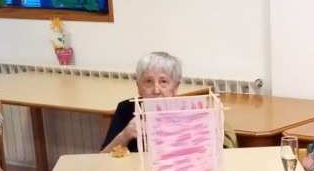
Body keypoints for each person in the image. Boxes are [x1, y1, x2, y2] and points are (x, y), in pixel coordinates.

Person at [99, 51, 238, 153]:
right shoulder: (126, 110)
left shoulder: (190, 113)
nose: (156, 90)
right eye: (148, 82)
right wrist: (124, 136)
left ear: (175, 87)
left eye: (164, 82)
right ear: (138, 87)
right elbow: (101, 160)